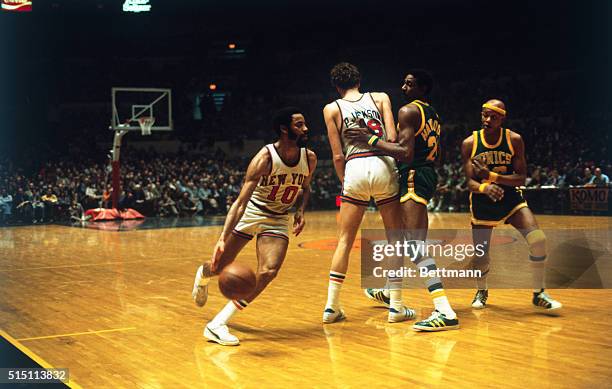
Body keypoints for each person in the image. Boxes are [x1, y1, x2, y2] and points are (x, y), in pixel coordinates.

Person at [191, 107, 317, 345]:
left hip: (279, 217)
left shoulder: (309, 158)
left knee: (269, 271)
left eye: (304, 124)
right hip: (254, 211)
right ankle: (204, 274)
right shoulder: (265, 159)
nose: (306, 129)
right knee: (219, 267)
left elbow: (306, 187)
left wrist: (300, 210)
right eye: (299, 125)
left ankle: (217, 323)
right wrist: (221, 238)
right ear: (284, 129)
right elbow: (240, 203)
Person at [345, 70, 459, 331]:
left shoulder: (408, 111)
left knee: (414, 245)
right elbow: (434, 154)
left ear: (423, 88)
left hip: (414, 176)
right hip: (426, 173)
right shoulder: (433, 113)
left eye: (410, 83)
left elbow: (406, 153)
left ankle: (445, 310)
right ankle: (388, 290)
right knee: (401, 239)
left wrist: (370, 139)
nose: (403, 87)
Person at [321, 62, 415, 324]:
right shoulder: (381, 97)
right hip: (382, 162)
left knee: (344, 241)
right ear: (359, 80)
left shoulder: (331, 109)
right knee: (396, 238)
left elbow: (337, 154)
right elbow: (393, 138)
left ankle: (331, 307)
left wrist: (345, 181)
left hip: (355, 167)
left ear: (337, 86)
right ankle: (396, 306)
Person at [461, 99, 562, 311]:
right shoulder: (469, 143)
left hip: (510, 199)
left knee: (538, 239)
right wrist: (484, 187)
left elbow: (521, 178)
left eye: (493, 117)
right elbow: (469, 182)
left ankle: (539, 293)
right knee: (481, 255)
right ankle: (482, 289)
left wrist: (492, 177)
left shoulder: (514, 140)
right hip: (482, 202)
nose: (487, 120)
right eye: (484, 115)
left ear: (502, 119)